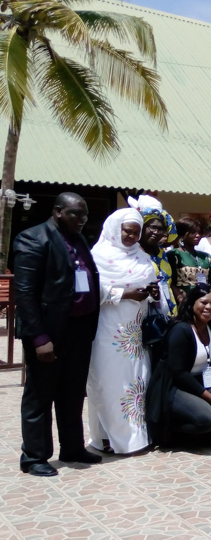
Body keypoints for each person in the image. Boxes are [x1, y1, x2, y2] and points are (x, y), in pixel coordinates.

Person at [14, 193, 102, 476]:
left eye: (85, 215)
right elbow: (25, 295)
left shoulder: (79, 239)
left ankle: (72, 447)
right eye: (76, 214)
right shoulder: (33, 239)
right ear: (57, 212)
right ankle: (34, 456)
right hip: (49, 332)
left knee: (73, 393)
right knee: (40, 395)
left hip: (79, 330)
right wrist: (39, 338)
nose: (82, 219)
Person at [87, 209, 159, 455]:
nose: (131, 236)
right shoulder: (97, 256)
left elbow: (151, 284)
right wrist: (126, 293)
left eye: (136, 232)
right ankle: (106, 438)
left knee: (135, 383)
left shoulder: (141, 256)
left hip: (135, 332)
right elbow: (90, 289)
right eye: (127, 230)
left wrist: (153, 294)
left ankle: (134, 438)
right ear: (115, 228)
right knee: (108, 382)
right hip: (107, 331)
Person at [146, 284, 211, 443]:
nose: (209, 307)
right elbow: (178, 374)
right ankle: (171, 431)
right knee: (206, 419)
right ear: (192, 304)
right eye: (204, 303)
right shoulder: (181, 330)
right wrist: (210, 398)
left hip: (200, 381)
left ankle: (206, 429)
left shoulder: (209, 327)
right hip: (174, 387)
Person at [129, 194, 178, 316]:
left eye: (160, 229)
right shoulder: (133, 252)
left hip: (168, 313)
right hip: (144, 314)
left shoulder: (161, 252)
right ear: (142, 227)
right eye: (152, 227)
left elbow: (167, 282)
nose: (156, 232)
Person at [168, 216, 211, 304]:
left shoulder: (206, 257)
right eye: (193, 232)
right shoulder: (174, 255)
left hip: (203, 301)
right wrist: (180, 298)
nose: (198, 235)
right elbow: (171, 281)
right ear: (183, 234)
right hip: (182, 302)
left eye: (199, 232)